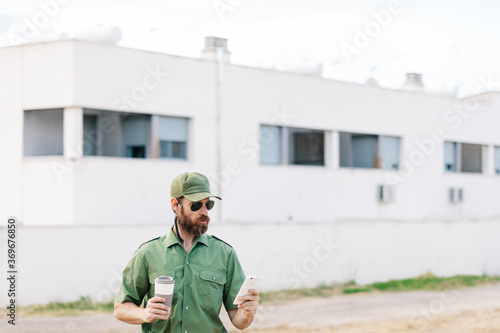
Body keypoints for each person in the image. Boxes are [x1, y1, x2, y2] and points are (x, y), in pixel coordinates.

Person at [114, 172, 260, 333]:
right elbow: (120, 308)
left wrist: (247, 312)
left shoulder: (225, 254)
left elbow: (239, 322)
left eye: (208, 204)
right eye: (196, 205)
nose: (204, 211)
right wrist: (144, 313)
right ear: (175, 205)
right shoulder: (147, 253)